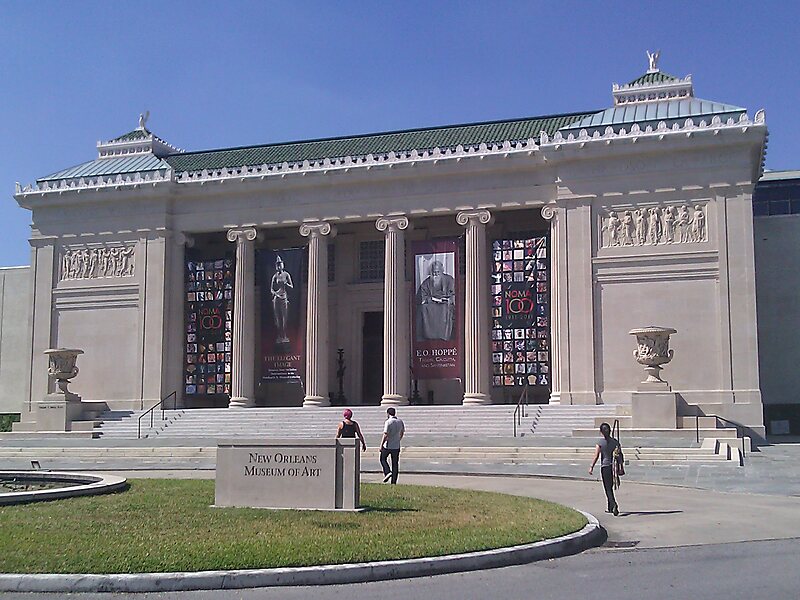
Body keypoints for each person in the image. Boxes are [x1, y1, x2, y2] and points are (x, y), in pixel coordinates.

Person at [416, 259, 456, 340]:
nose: (435, 275)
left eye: (438, 272)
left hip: (444, 305)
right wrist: (431, 299)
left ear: (442, 271)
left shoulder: (449, 280)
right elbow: (421, 297)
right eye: (434, 273)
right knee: (423, 309)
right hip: (431, 306)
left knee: (447, 309)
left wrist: (447, 299)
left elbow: (453, 294)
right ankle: (428, 336)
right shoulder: (426, 283)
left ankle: (444, 336)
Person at [589, 422, 621, 516]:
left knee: (607, 488)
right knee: (610, 487)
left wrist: (591, 466)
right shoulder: (615, 442)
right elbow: (620, 455)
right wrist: (621, 467)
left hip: (605, 467)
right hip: (614, 467)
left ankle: (614, 504)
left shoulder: (600, 443)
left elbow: (596, 455)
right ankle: (609, 507)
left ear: (601, 432)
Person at [270, 256, 293, 343]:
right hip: (277, 298)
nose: (279, 266)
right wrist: (275, 294)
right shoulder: (275, 276)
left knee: (285, 319)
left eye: (280, 264)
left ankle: (285, 335)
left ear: (283, 265)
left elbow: (292, 287)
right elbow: (271, 289)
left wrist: (286, 284)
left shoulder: (286, 275)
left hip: (284, 297)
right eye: (277, 265)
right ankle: (280, 336)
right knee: (277, 319)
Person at [380, 407, 405, 484]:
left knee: (382, 459)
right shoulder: (400, 421)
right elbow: (402, 432)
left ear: (388, 413)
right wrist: (399, 439)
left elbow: (385, 434)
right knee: (395, 464)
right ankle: (394, 481)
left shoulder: (388, 422)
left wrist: (381, 445)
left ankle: (387, 472)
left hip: (388, 445)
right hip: (396, 446)